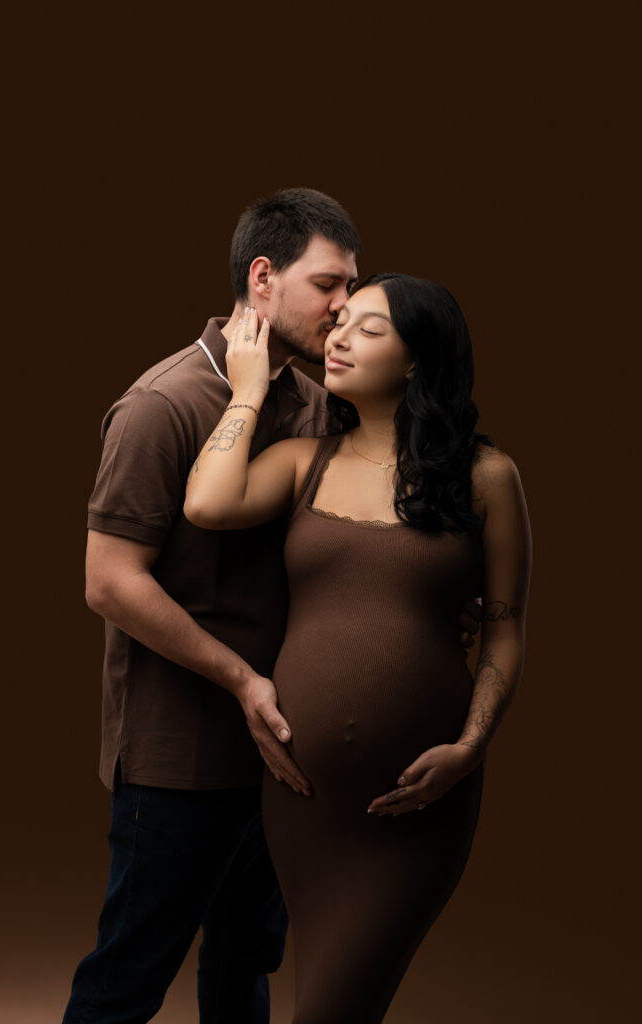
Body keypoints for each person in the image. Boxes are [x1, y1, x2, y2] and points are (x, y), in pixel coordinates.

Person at [63, 190, 481, 1024]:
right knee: (131, 974)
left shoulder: (320, 401)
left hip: (289, 759)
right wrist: (243, 680)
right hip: (182, 755)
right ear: (263, 278)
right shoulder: (163, 407)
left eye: (354, 292)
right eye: (330, 285)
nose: (342, 310)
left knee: (247, 964)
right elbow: (109, 581)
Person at [184, 279, 532, 1023]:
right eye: (338, 322)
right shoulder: (301, 460)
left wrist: (470, 747)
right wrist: (246, 392)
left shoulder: (487, 479)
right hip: (301, 799)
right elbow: (207, 504)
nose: (337, 336)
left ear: (417, 360)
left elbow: (503, 627)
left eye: (367, 329)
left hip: (412, 806)